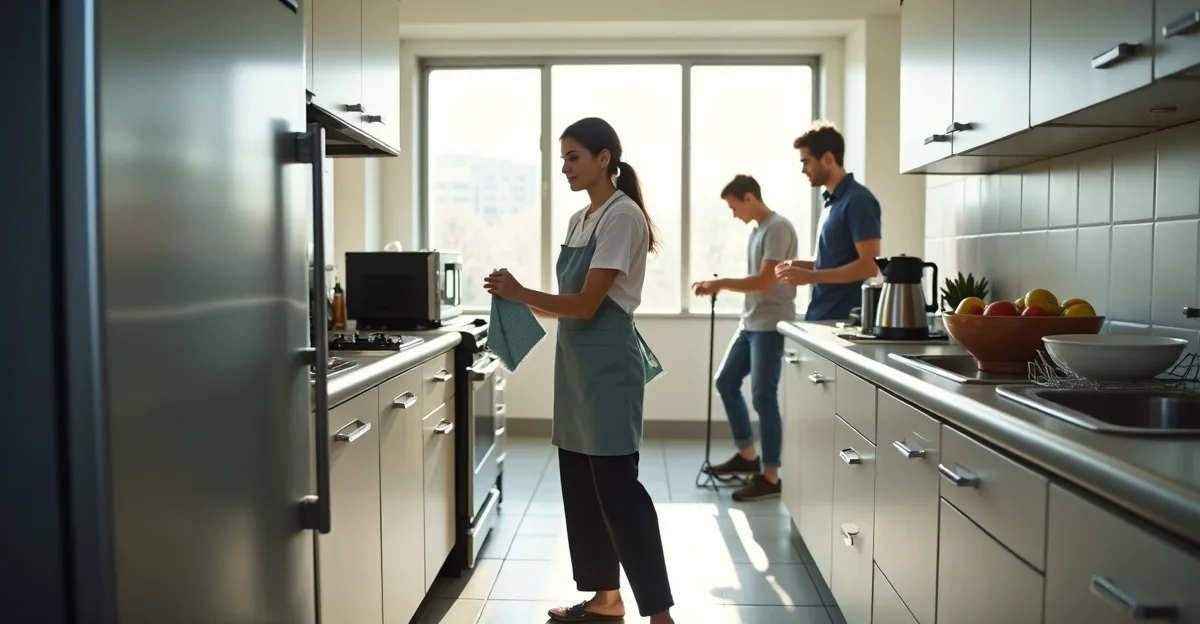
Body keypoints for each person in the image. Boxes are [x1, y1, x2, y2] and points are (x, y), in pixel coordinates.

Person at [483, 117, 674, 624]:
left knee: (618, 490)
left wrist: (522, 291)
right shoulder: (578, 220)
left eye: (573, 157)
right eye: (562, 158)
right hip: (574, 368)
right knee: (582, 487)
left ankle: (660, 614)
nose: (565, 167)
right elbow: (567, 304)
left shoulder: (622, 216)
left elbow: (588, 305)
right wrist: (512, 299)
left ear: (604, 158)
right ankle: (605, 600)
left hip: (609, 365)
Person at [691, 175, 798, 502]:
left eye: (733, 205)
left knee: (763, 397)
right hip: (750, 322)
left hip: (770, 323)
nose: (733, 213)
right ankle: (748, 457)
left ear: (749, 197)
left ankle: (770, 476)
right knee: (725, 381)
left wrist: (720, 283)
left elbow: (765, 281)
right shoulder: (757, 231)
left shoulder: (778, 227)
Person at [775, 121, 882, 317]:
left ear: (827, 158)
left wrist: (810, 276)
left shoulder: (859, 200)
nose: (803, 170)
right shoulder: (830, 202)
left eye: (806, 162)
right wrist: (799, 266)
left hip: (844, 321)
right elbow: (831, 261)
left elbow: (869, 265)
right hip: (822, 314)